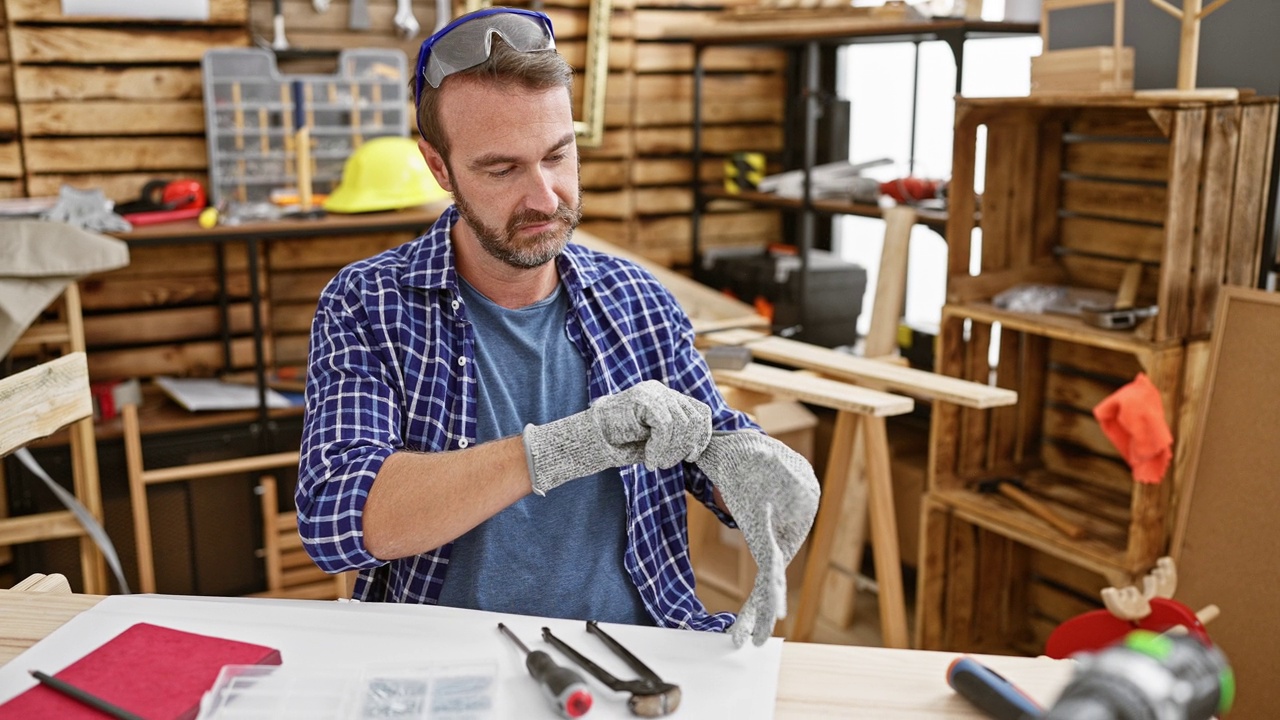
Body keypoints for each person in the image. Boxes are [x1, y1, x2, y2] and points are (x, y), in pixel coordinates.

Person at [296, 6, 819, 647]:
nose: (545, 197)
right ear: (439, 169)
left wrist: (751, 467)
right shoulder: (367, 303)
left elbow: (711, 454)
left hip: (641, 653)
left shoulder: (637, 300)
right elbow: (336, 516)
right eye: (502, 170)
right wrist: (567, 446)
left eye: (557, 155)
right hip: (444, 666)